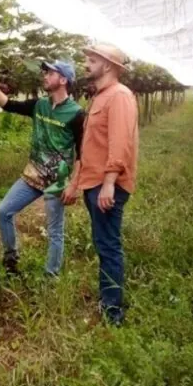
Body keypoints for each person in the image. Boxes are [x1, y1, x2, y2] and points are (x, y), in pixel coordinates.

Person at [0, 61, 84, 276]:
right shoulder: (39, 105)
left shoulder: (77, 114)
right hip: (33, 174)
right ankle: (11, 260)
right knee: (2, 212)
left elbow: (82, 154)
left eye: (50, 73)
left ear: (63, 80)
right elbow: (8, 104)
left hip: (57, 181)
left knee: (55, 231)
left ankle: (50, 276)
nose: (45, 76)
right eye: (45, 72)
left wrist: (73, 185)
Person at [62, 44, 138, 326]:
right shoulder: (101, 97)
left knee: (108, 246)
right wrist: (77, 182)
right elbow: (90, 145)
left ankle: (112, 312)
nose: (86, 64)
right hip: (94, 183)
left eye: (91, 60)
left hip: (108, 186)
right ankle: (108, 300)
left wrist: (109, 184)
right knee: (103, 243)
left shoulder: (119, 96)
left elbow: (120, 143)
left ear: (107, 65)